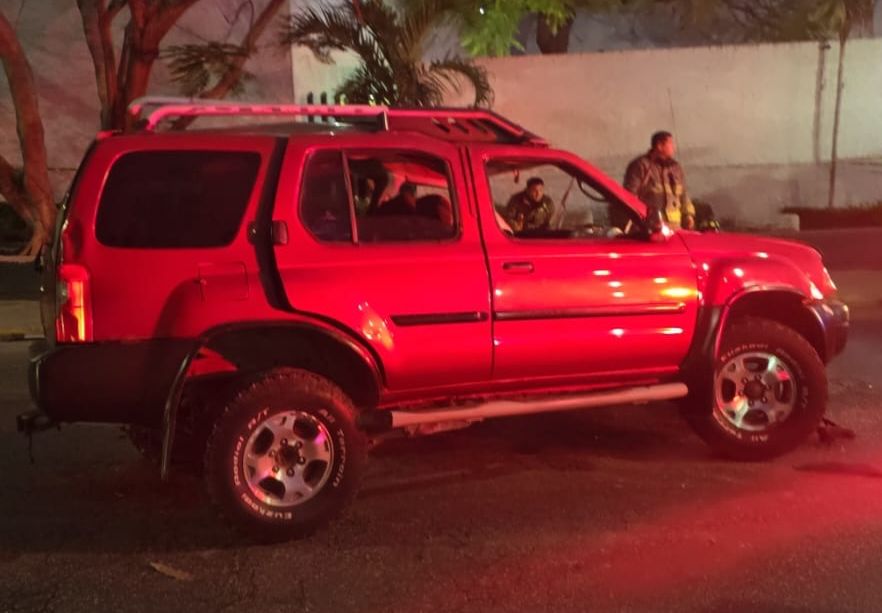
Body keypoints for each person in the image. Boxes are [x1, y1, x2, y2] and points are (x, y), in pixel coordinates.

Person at [623, 131, 695, 230]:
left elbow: (684, 195)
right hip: (649, 229)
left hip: (675, 228)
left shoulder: (676, 168)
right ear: (659, 146)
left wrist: (689, 215)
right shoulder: (640, 166)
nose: (674, 147)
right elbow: (629, 196)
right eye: (670, 144)